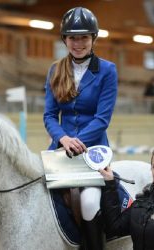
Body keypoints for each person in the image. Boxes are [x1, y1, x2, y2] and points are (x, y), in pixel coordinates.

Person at [43, 7, 118, 249]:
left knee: (88, 203)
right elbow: (50, 115)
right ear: (65, 39)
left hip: (93, 151)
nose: (78, 43)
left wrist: (77, 141)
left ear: (93, 39)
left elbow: (102, 119)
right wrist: (63, 138)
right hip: (60, 149)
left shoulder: (107, 70)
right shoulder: (55, 70)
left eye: (84, 37)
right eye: (73, 37)